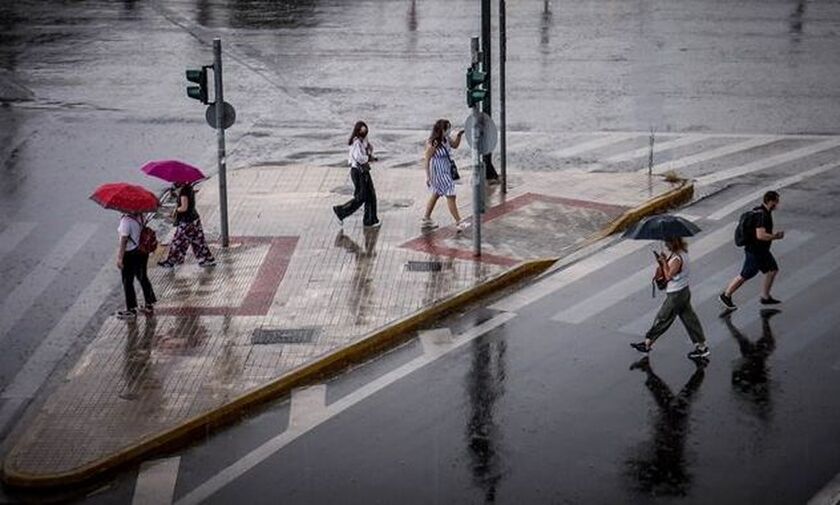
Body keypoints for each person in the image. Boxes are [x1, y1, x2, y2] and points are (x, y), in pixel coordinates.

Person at [631, 236, 710, 360]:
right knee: (689, 319)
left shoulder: (677, 259)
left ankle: (647, 344)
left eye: (667, 242)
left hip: (676, 294)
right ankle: (702, 347)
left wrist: (663, 262)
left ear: (673, 242)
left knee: (663, 318)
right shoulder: (682, 253)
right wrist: (663, 260)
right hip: (683, 291)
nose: (666, 244)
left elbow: (668, 276)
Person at [719, 191, 784, 310]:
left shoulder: (760, 211)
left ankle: (765, 297)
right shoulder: (762, 215)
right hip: (755, 251)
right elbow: (760, 235)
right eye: (776, 201)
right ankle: (726, 295)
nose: (778, 204)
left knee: (772, 270)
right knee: (745, 274)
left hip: (762, 251)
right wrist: (775, 236)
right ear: (770, 201)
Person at [421, 119, 469, 232]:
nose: (448, 131)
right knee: (451, 195)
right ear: (441, 129)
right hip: (438, 173)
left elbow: (455, 145)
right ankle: (459, 222)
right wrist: (428, 176)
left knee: (436, 194)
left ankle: (426, 219)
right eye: (447, 128)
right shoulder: (433, 143)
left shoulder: (446, 139)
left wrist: (459, 135)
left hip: (446, 170)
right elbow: (427, 159)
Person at [333, 121, 380, 228]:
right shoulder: (356, 142)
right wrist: (369, 158)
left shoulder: (363, 140)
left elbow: (367, 150)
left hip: (363, 170)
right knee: (362, 196)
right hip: (359, 172)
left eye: (366, 130)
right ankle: (341, 211)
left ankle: (370, 220)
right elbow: (358, 157)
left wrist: (369, 151)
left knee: (370, 196)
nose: (365, 133)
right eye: (362, 131)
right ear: (358, 131)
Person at [158, 182, 216, 268]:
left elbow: (184, 207)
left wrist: (176, 210)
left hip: (187, 222)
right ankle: (206, 259)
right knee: (198, 241)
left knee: (178, 242)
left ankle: (172, 261)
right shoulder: (189, 188)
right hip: (194, 220)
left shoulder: (184, 191)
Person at [116, 212, 156, 319]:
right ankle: (149, 303)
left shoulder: (126, 220)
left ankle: (131, 309)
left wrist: (120, 257)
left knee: (127, 281)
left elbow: (123, 240)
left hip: (130, 253)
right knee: (142, 277)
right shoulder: (141, 216)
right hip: (142, 251)